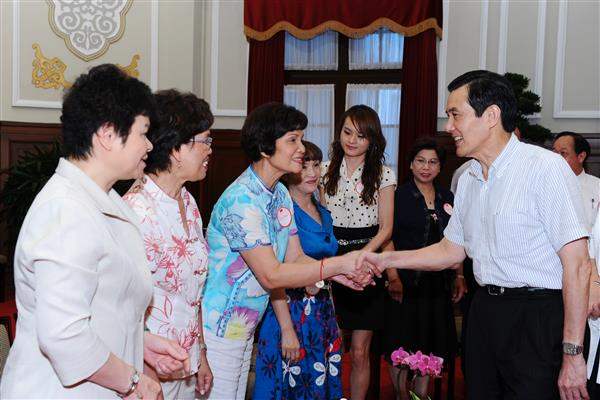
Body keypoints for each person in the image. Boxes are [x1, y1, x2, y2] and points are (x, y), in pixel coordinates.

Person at [357, 70, 591, 400]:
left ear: (491, 116)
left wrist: (573, 352)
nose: (449, 127)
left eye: (456, 115)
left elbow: (578, 266)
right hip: (483, 312)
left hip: (537, 316)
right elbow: (451, 250)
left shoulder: (545, 169)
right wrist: (385, 259)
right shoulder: (468, 178)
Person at [0, 64, 189, 398]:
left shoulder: (103, 200)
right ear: (107, 134)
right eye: (143, 133)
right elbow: (64, 335)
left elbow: (104, 309)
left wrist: (141, 343)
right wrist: (133, 381)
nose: (149, 146)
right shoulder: (65, 211)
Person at [201, 103, 378, 400]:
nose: (301, 149)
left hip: (245, 328)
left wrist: (341, 275)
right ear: (265, 148)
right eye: (292, 140)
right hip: (219, 329)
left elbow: (295, 257)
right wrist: (338, 265)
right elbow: (272, 275)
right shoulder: (242, 200)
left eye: (301, 139)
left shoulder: (279, 193)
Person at [123, 89, 214, 399]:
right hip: (149, 370)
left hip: (185, 362)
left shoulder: (187, 201)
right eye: (205, 141)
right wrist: (146, 377)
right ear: (176, 149)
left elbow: (194, 291)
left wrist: (201, 354)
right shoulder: (136, 212)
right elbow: (125, 306)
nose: (210, 150)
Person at [253, 141, 343, 400]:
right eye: (304, 166)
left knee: (318, 386)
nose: (312, 173)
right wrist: (287, 329)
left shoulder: (323, 211)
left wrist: (333, 319)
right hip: (290, 309)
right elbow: (274, 271)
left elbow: (325, 270)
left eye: (316, 165)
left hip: (322, 310)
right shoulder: (282, 210)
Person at [321, 104, 396, 399]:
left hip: (368, 258)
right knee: (330, 346)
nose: (352, 140)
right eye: (347, 132)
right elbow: (320, 220)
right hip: (332, 258)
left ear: (372, 139)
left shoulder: (384, 174)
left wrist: (363, 257)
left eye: (361, 135)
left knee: (360, 351)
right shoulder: (324, 169)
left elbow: (386, 228)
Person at [383, 138, 466, 400]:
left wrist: (459, 274)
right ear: (410, 164)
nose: (426, 167)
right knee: (401, 343)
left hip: (437, 285)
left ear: (440, 167)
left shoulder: (447, 197)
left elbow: (457, 239)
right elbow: (386, 236)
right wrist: (393, 276)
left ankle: (420, 395)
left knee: (430, 343)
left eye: (432, 162)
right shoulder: (398, 196)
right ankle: (401, 395)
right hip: (405, 282)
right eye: (420, 161)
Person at [553, 132, 600, 231]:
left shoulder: (597, 187)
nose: (556, 159)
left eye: (563, 153)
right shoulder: (543, 185)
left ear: (581, 157)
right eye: (554, 153)